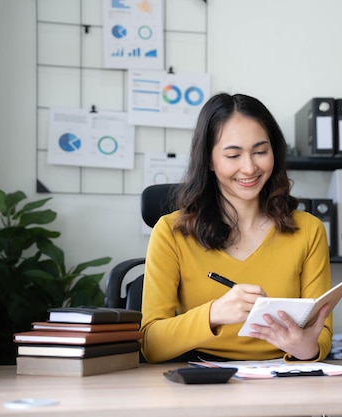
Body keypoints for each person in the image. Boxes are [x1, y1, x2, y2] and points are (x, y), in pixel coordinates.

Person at [140, 92, 332, 363]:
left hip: (285, 379)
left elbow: (321, 334)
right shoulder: (171, 232)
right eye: (233, 155)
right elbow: (151, 343)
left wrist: (305, 347)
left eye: (261, 152)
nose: (249, 167)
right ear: (209, 160)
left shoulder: (309, 230)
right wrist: (214, 313)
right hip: (204, 379)